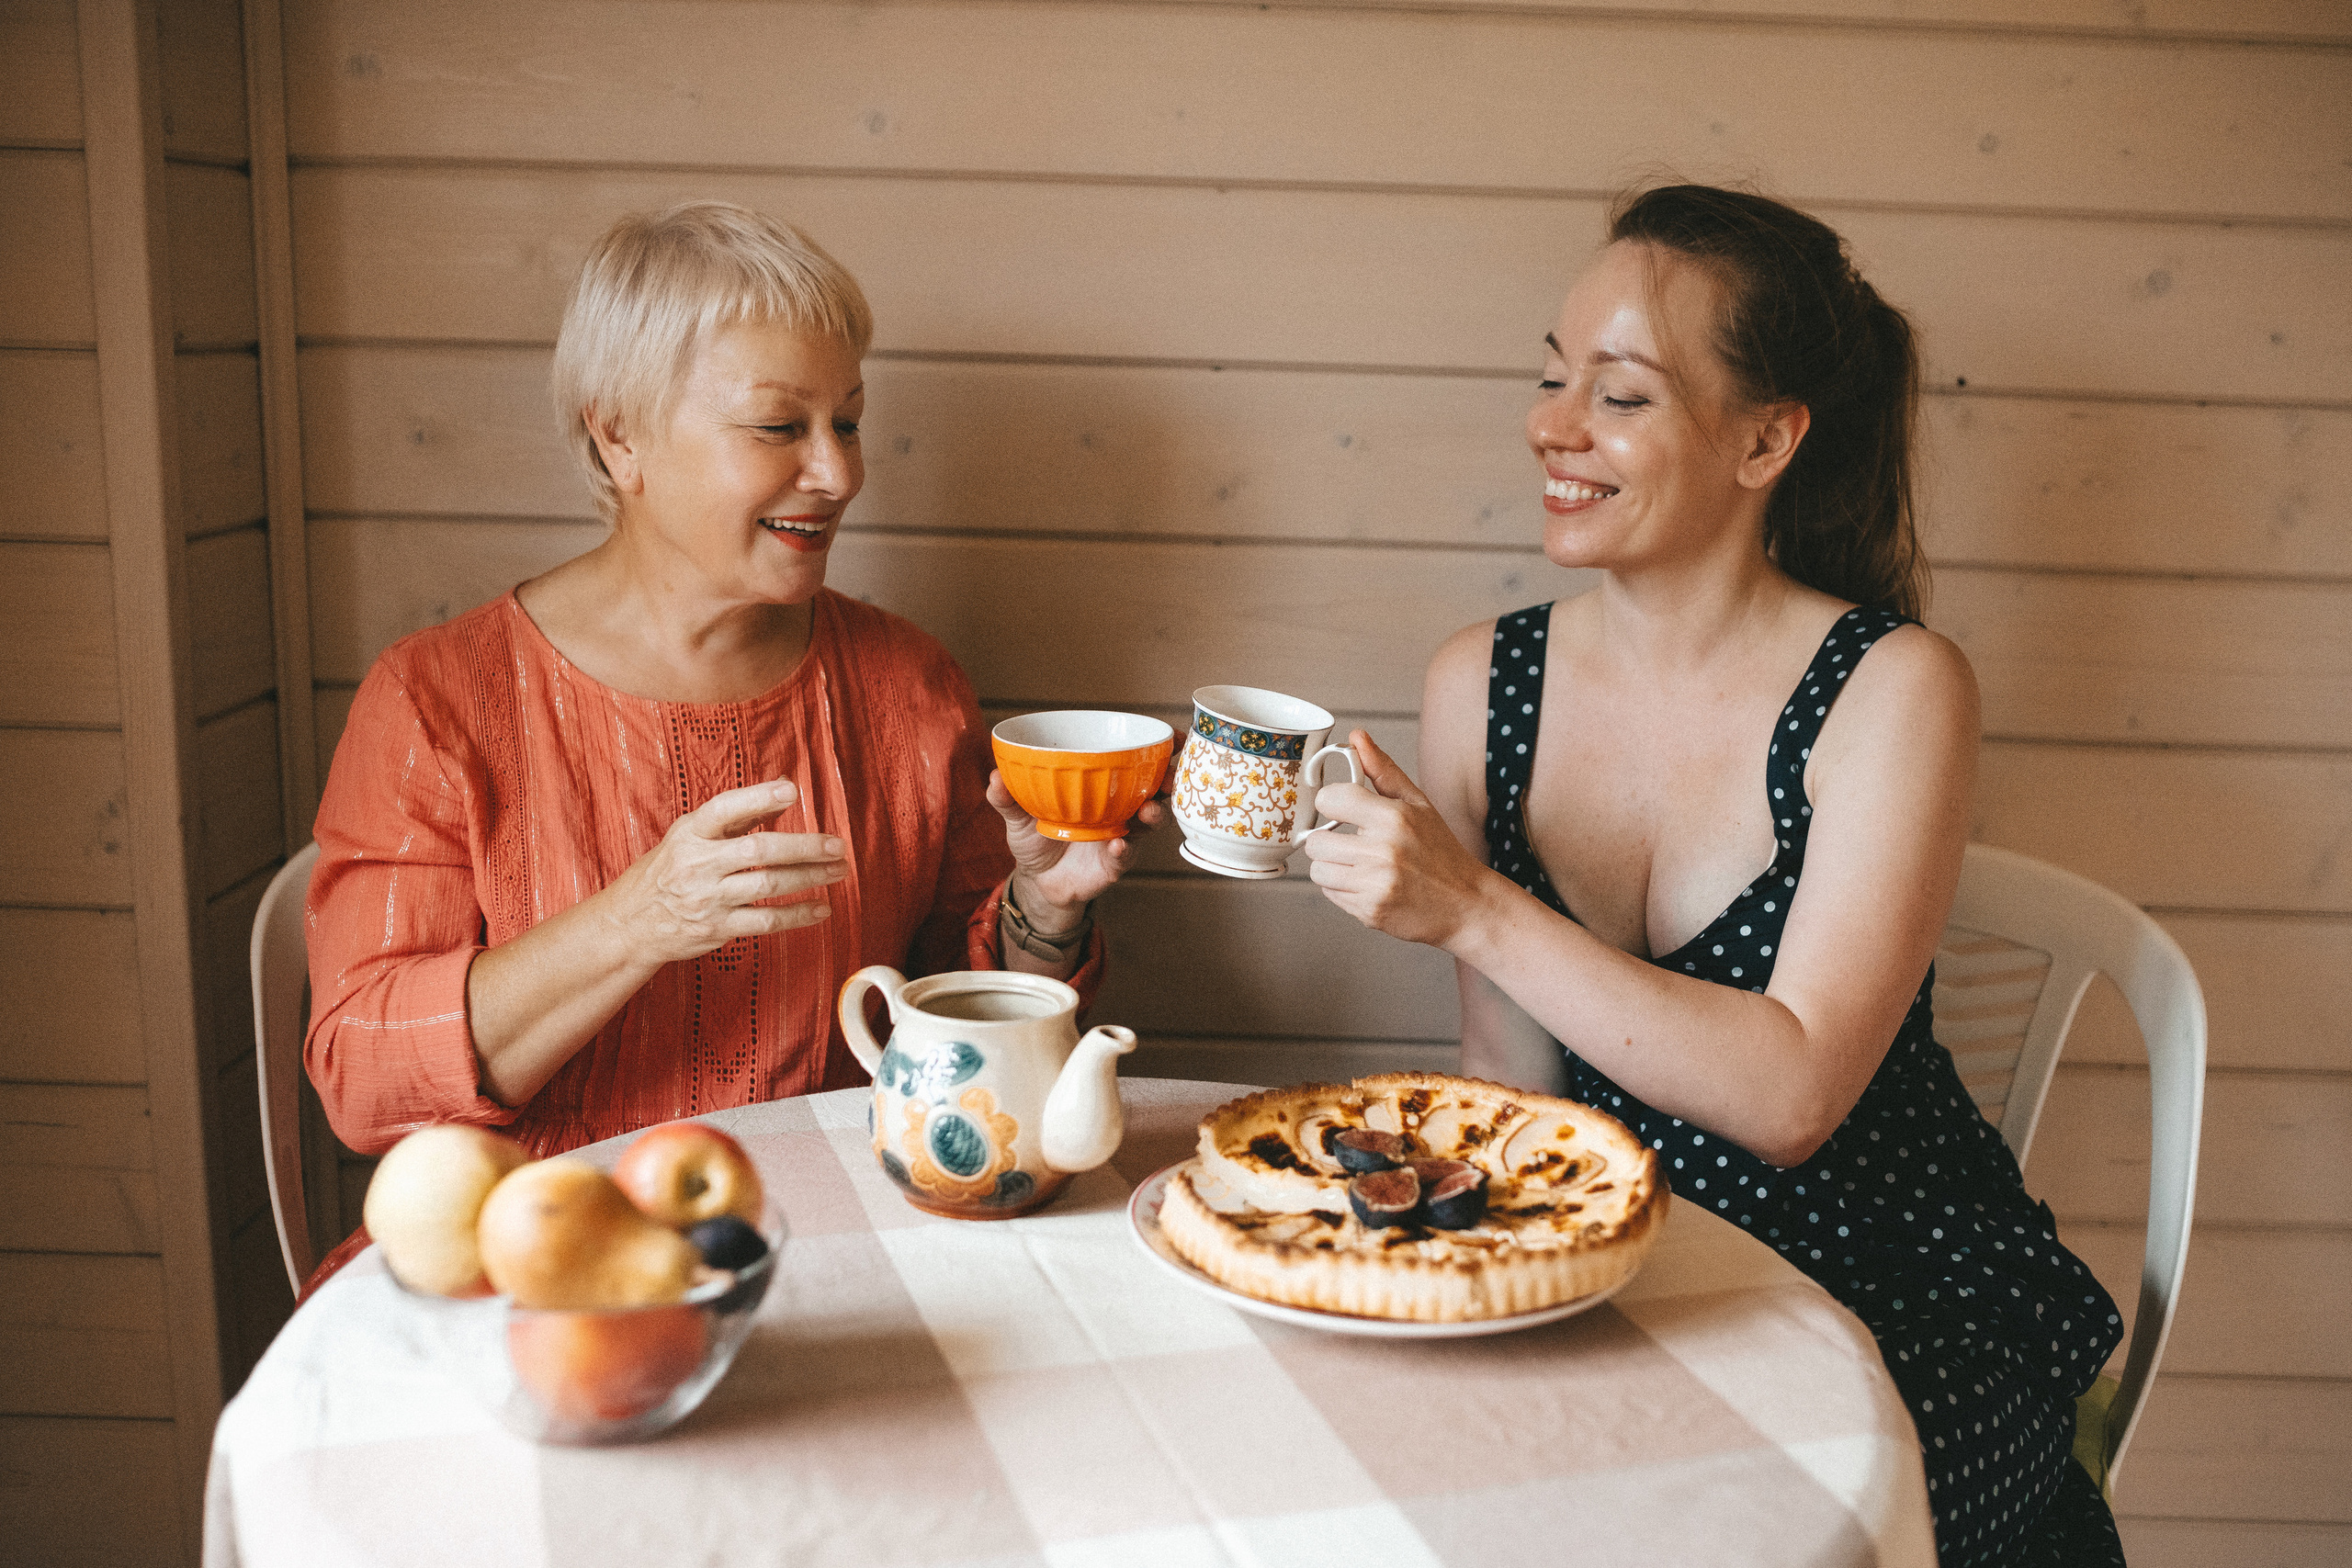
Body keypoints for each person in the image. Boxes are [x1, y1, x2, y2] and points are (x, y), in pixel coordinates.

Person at [1302, 186, 2124, 1565]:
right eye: (1553, 376)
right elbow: (1519, 1090)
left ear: (1766, 438)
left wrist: (1474, 904)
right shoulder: (1483, 683)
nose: (1553, 426)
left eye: (1618, 394)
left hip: (1885, 1278)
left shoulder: (1892, 687)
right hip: (1618, 1260)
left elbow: (1792, 1095)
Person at [305, 201, 1151, 1185]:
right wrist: (637, 921)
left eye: (848, 422)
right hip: (548, 1254)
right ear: (620, 439)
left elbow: (967, 1045)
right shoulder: (438, 702)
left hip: (848, 1229)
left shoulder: (908, 688)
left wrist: (1044, 907)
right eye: (778, 426)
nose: (836, 472)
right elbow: (363, 1081)